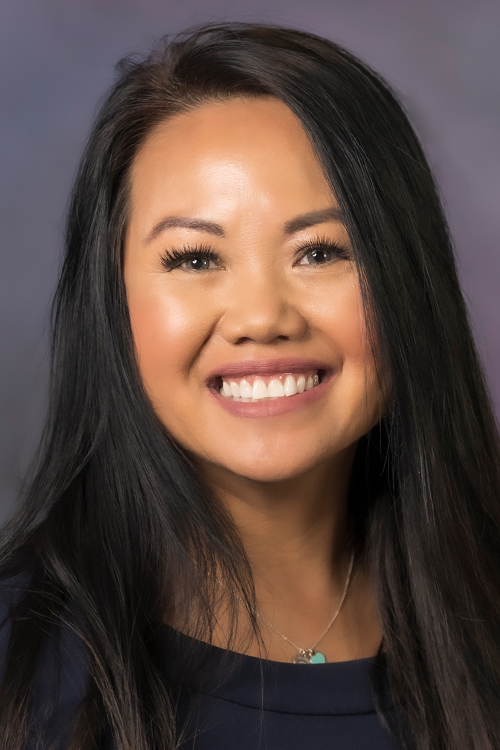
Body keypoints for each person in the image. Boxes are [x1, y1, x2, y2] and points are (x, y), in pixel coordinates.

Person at [1, 21, 499, 750]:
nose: (262, 318)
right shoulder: (20, 660)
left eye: (321, 251)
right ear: (114, 304)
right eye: (195, 259)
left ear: (407, 280)